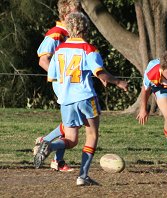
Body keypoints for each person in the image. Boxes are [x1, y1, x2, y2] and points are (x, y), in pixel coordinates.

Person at [34, 12, 128, 186]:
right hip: (85, 97)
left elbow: (53, 75)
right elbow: (100, 72)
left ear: (68, 30)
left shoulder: (59, 50)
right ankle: (83, 176)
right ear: (86, 29)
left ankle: (50, 146)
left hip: (66, 99)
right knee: (91, 134)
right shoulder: (88, 49)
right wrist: (118, 82)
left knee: (70, 139)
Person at [34, 0, 90, 172]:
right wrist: (60, 77)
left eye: (80, 11)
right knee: (72, 125)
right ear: (65, 15)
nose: (80, 15)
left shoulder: (70, 34)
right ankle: (50, 150)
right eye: (76, 11)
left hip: (71, 84)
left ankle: (49, 148)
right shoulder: (56, 33)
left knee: (71, 124)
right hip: (65, 85)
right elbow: (43, 59)